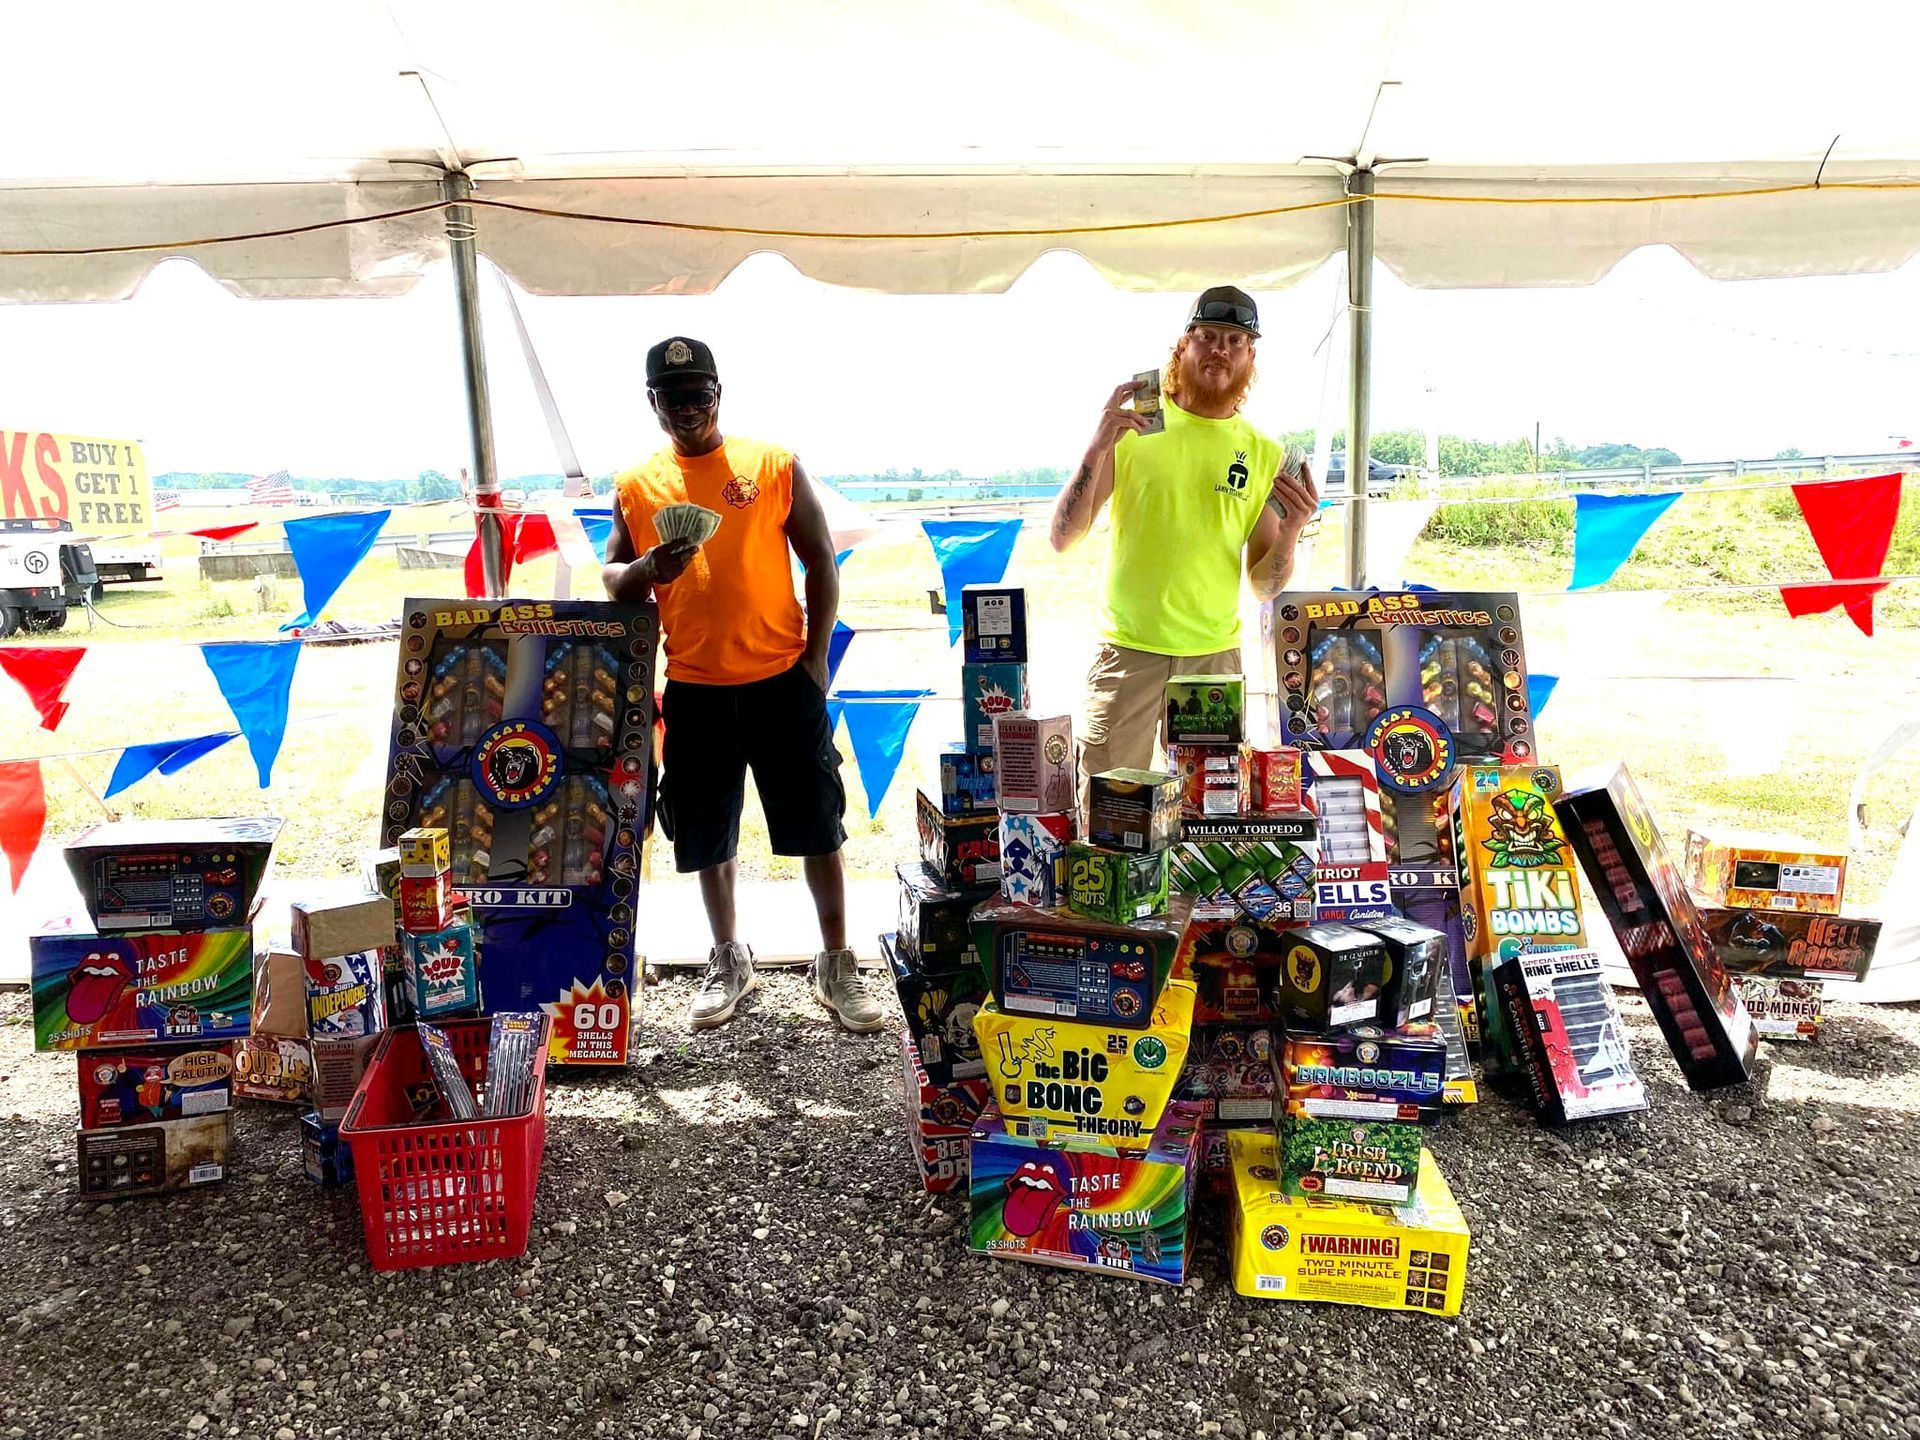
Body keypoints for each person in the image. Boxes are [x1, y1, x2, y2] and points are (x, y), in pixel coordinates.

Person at [603, 336, 882, 1034]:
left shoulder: (774, 464)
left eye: (699, 394)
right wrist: (646, 571)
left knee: (819, 826)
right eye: (673, 398)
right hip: (694, 687)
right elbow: (613, 578)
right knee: (705, 836)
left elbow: (821, 559)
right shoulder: (637, 485)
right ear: (653, 403)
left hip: (784, 681)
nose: (688, 409)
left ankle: (836, 963)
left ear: (719, 394)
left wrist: (816, 660)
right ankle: (729, 961)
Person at [1049, 284, 1319, 787]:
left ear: (1250, 357)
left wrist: (1292, 532)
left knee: (1209, 812)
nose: (1220, 349)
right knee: (1109, 807)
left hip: (1212, 659)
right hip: (1128, 652)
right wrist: (1095, 447)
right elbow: (1063, 537)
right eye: (1207, 336)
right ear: (1183, 345)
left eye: (1235, 341)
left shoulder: (1263, 451)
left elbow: (1263, 585)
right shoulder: (1137, 427)